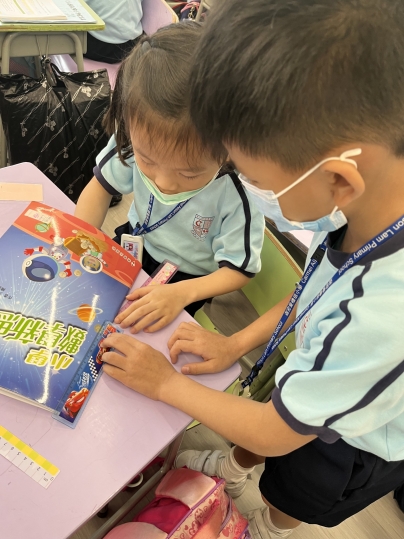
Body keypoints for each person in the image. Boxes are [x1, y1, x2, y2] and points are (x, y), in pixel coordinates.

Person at [97, 0, 404, 537]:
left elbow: (276, 431)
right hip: (312, 373)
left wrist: (165, 384)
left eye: (255, 179)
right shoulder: (366, 204)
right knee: (270, 426)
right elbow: (317, 292)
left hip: (354, 441)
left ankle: (267, 527)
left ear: (338, 180)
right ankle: (232, 470)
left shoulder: (380, 315)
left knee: (295, 488)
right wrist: (236, 344)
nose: (251, 190)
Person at [75, 22, 264, 332]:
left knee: (142, 337)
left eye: (189, 173)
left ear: (231, 149)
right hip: (135, 241)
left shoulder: (237, 194)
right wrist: (81, 241)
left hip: (186, 279)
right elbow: (99, 188)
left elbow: (239, 269)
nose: (163, 183)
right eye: (147, 161)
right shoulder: (137, 137)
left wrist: (183, 293)